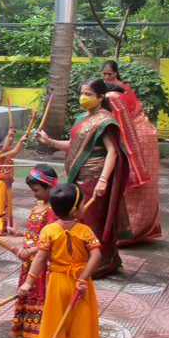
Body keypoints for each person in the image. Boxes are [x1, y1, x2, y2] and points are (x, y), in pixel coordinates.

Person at [35, 78, 129, 278]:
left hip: (95, 177)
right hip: (77, 176)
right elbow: (74, 144)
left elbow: (113, 152)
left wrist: (103, 180)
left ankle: (99, 262)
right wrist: (49, 141)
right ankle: (79, 258)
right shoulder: (81, 117)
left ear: (101, 97)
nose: (83, 98)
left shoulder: (105, 121)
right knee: (78, 217)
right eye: (82, 93)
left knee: (91, 220)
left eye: (88, 94)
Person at [19, 183, 101, 338]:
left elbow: (40, 258)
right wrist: (82, 279)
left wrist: (28, 283)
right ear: (75, 211)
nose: (84, 207)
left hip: (57, 282)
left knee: (54, 320)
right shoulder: (85, 231)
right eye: (82, 204)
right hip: (79, 284)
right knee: (79, 320)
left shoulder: (49, 231)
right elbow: (96, 256)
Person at [105, 83, 162, 245]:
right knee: (145, 187)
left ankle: (127, 233)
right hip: (145, 134)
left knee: (130, 185)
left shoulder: (113, 98)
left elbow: (121, 128)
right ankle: (139, 228)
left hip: (136, 138)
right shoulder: (124, 91)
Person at [9, 164, 58, 338]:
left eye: (36, 190)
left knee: (38, 294)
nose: (34, 193)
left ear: (50, 187)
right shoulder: (40, 204)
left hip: (40, 263)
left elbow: (50, 240)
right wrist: (20, 233)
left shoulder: (52, 211)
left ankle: (37, 333)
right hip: (28, 261)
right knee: (27, 292)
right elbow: (36, 232)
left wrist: (30, 250)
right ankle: (26, 329)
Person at [0, 127, 28, 235]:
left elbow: (14, 150)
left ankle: (3, 225)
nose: (10, 142)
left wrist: (17, 139)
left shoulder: (6, 153)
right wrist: (11, 136)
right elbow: (8, 149)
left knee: (6, 205)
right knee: (1, 205)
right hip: (1, 183)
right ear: (0, 145)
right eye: (8, 140)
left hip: (6, 183)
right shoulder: (0, 153)